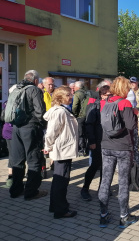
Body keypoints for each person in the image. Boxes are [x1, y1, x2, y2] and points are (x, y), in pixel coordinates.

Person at [98, 76, 137, 229]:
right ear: (123, 88)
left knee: (105, 181)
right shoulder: (125, 103)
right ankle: (124, 216)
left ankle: (103, 215)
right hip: (123, 147)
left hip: (106, 146)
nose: (129, 90)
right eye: (128, 87)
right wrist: (134, 112)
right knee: (122, 183)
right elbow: (131, 125)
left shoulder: (105, 102)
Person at [9, 70, 47, 200]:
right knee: (34, 159)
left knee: (17, 160)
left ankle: (15, 190)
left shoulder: (16, 89)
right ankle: (31, 192)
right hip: (30, 128)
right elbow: (40, 112)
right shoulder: (34, 90)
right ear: (36, 80)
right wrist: (43, 126)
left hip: (16, 128)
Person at [43, 86, 78, 218]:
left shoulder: (63, 110)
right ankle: (60, 210)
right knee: (61, 180)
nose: (71, 97)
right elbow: (51, 132)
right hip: (62, 150)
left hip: (64, 149)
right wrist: (48, 146)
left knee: (61, 180)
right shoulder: (60, 112)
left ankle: (58, 206)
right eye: (68, 95)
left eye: (70, 94)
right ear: (61, 97)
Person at [81, 85, 111, 201]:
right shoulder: (95, 106)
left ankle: (102, 189)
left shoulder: (111, 106)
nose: (110, 97)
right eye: (108, 95)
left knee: (106, 167)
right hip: (97, 141)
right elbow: (89, 125)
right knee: (94, 166)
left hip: (108, 142)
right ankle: (85, 189)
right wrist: (92, 141)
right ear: (102, 95)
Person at [2, 85, 17, 188]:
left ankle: (11, 176)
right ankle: (11, 178)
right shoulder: (15, 103)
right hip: (13, 131)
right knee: (14, 155)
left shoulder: (6, 102)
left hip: (7, 130)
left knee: (12, 154)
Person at [72, 81, 89, 155]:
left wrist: (74, 114)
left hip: (80, 116)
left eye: (74, 86)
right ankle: (86, 149)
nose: (73, 88)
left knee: (80, 133)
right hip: (87, 115)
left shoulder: (77, 94)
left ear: (77, 87)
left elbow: (75, 106)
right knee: (85, 133)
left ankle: (81, 150)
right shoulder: (87, 93)